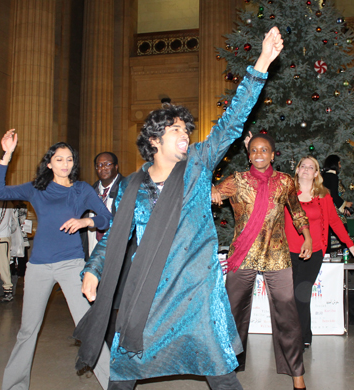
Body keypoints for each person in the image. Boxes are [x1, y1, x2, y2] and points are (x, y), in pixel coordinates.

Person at [73, 27, 283, 390]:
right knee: (122, 372)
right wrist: (93, 269)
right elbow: (114, 239)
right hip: (148, 293)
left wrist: (262, 62)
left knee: (219, 371)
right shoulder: (132, 186)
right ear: (154, 140)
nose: (185, 134)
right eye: (175, 129)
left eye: (186, 129)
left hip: (195, 290)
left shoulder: (198, 165)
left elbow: (232, 122)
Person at [0, 130, 112, 390]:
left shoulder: (81, 190)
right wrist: (7, 154)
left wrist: (86, 220)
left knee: (88, 327)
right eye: (59, 159)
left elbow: (106, 218)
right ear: (49, 163)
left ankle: (113, 384)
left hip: (72, 265)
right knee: (27, 331)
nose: (65, 164)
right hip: (38, 267)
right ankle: (14, 386)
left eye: (69, 159)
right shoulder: (37, 189)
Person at [212, 133, 312, 390]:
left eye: (264, 150)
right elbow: (210, 194)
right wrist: (211, 193)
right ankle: (226, 368)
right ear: (249, 155)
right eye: (254, 150)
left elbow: (297, 211)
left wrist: (307, 237)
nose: (259, 154)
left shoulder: (285, 182)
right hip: (242, 256)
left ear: (272, 154)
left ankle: (297, 373)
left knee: (288, 315)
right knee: (233, 314)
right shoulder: (237, 181)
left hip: (277, 255)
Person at [284, 155, 354, 349]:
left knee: (301, 292)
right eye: (303, 166)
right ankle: (298, 334)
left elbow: (335, 222)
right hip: (288, 251)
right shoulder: (286, 193)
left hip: (314, 251)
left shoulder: (323, 195)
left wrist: (350, 244)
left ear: (316, 173)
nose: (306, 169)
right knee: (290, 295)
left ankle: (302, 336)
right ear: (298, 169)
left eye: (311, 167)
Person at [81, 152, 123, 261]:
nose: (103, 168)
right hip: (92, 247)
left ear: (116, 166)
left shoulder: (127, 189)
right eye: (99, 165)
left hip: (118, 250)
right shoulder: (89, 192)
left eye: (107, 164)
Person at [322, 154, 353, 254]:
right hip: (334, 212)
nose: (340, 166)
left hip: (328, 211)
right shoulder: (333, 176)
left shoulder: (323, 176)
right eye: (339, 163)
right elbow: (334, 195)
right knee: (341, 239)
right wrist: (345, 206)